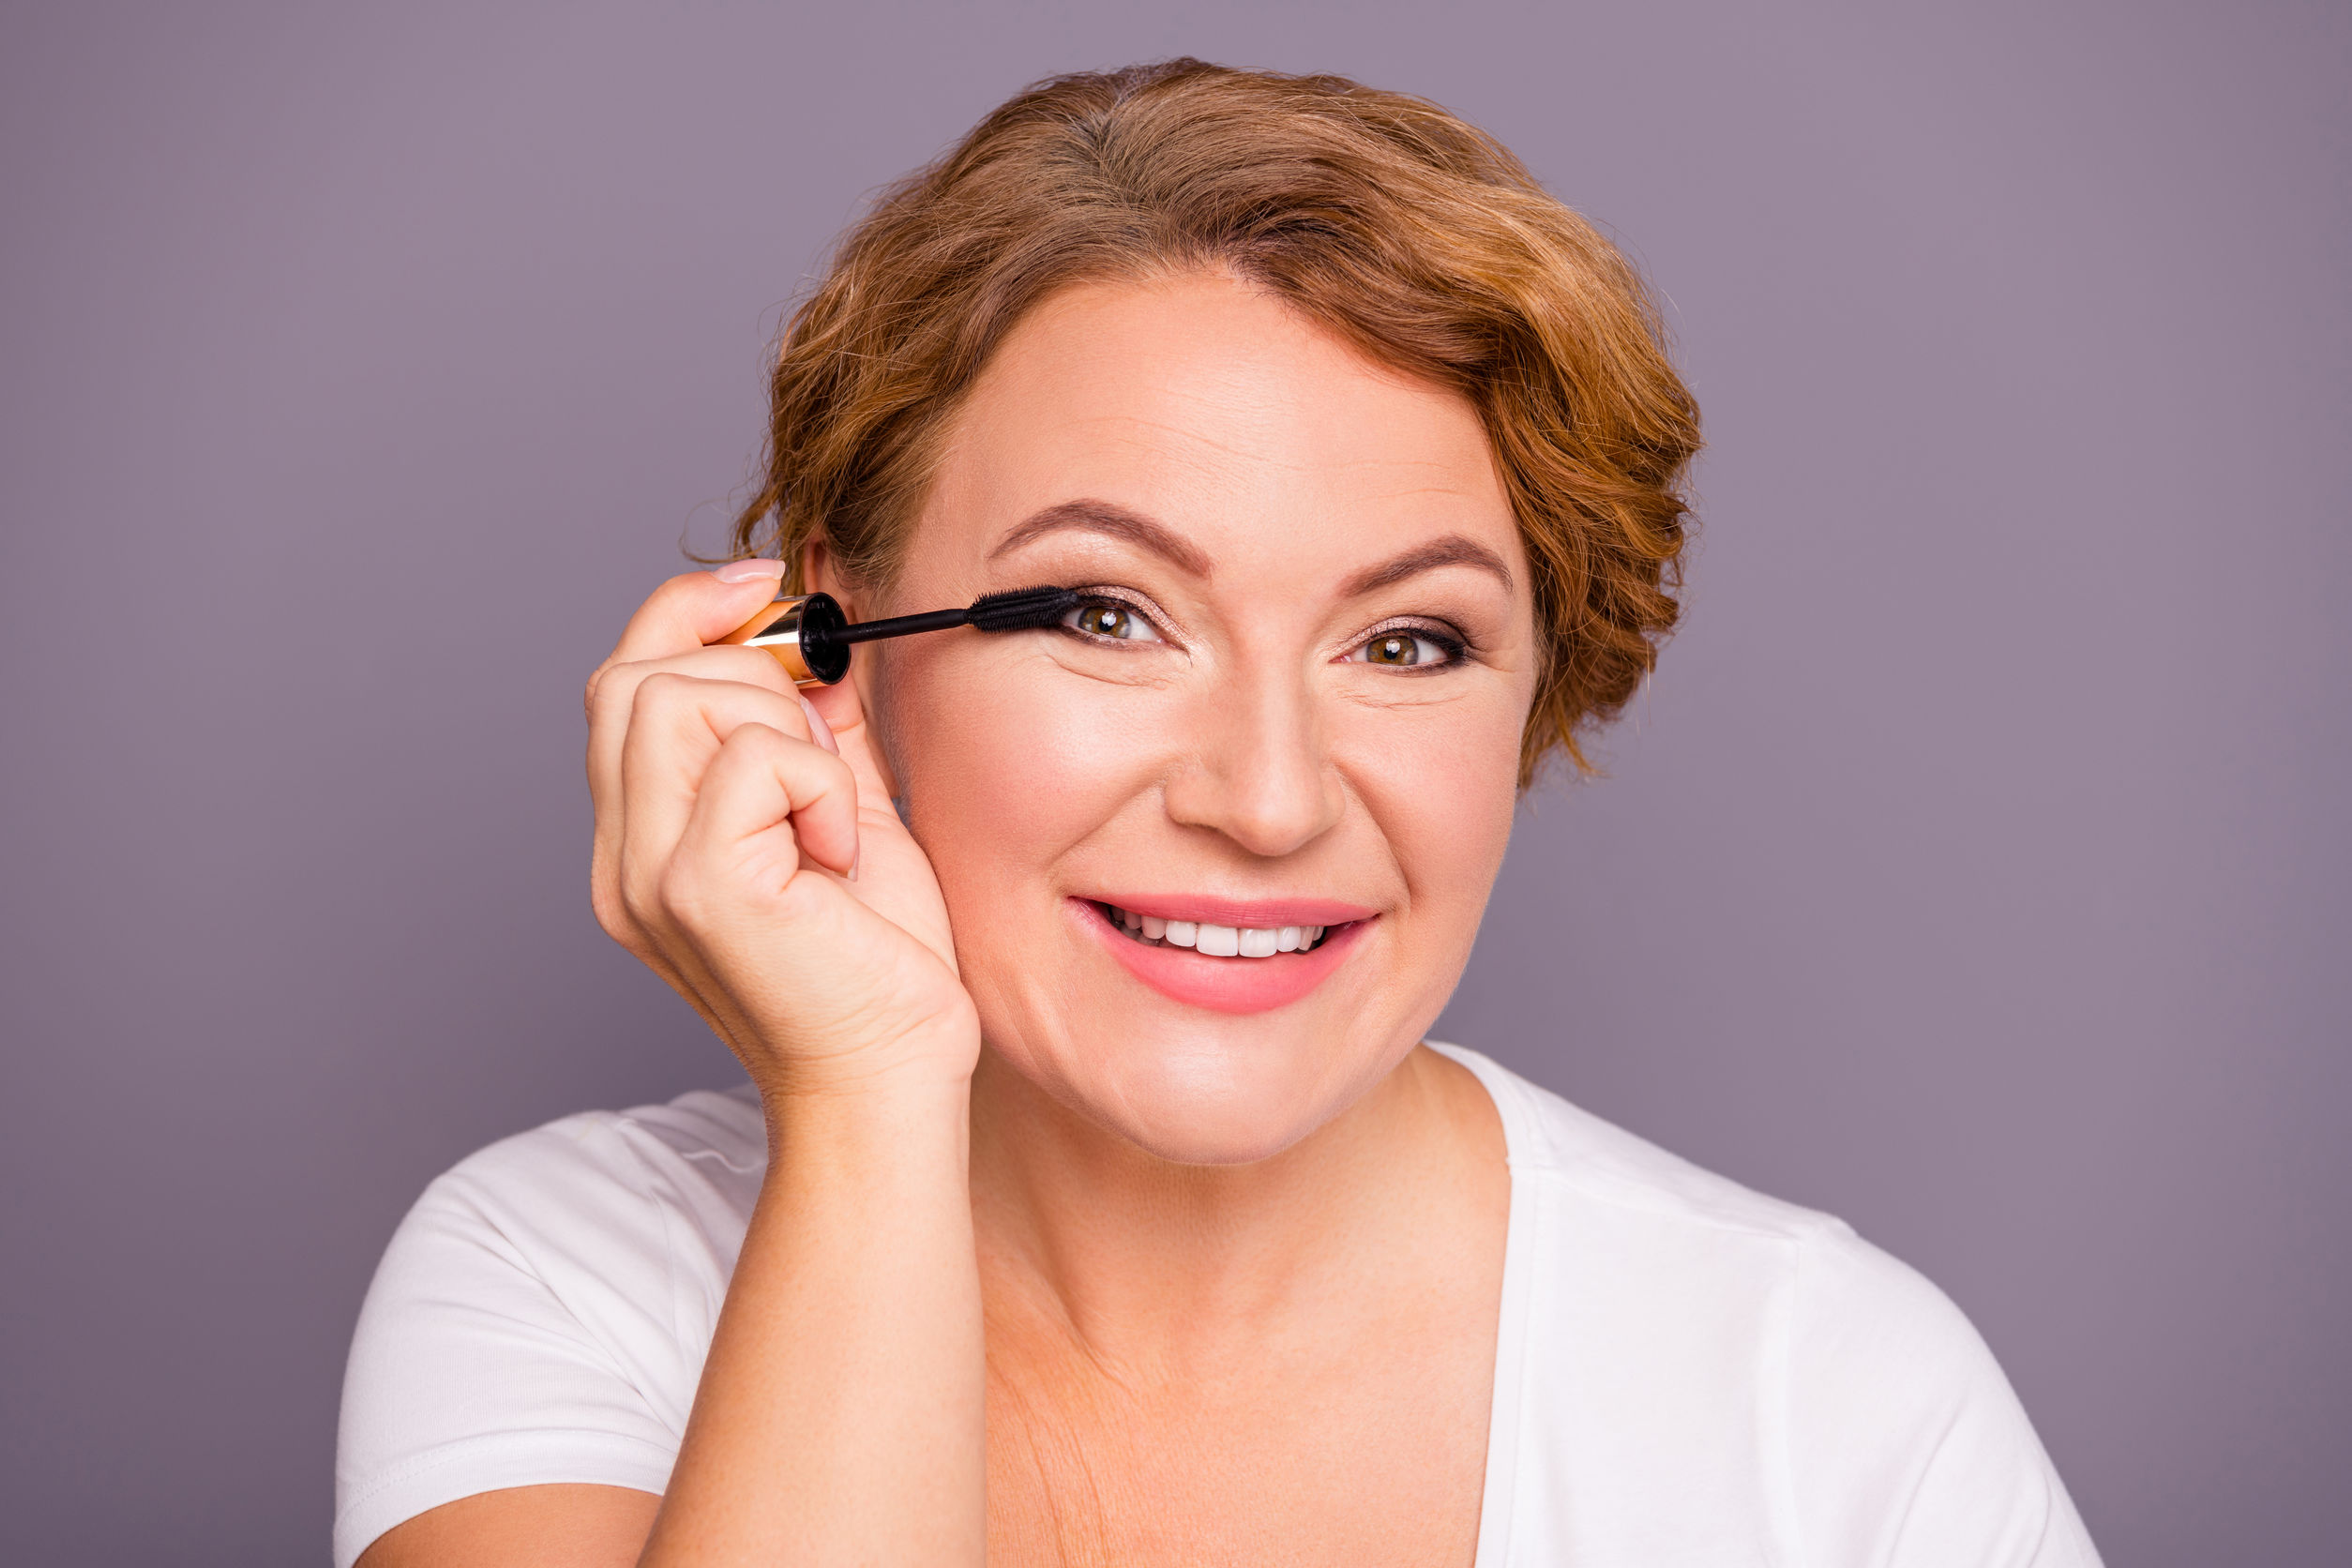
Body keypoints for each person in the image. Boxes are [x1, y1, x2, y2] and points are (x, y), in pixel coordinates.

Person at [335, 59, 2102, 1567]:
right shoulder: (560, 1284)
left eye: (1408, 640)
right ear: (832, 644)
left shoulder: (1837, 1412)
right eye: (1105, 614)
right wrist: (867, 1094)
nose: (1265, 800)